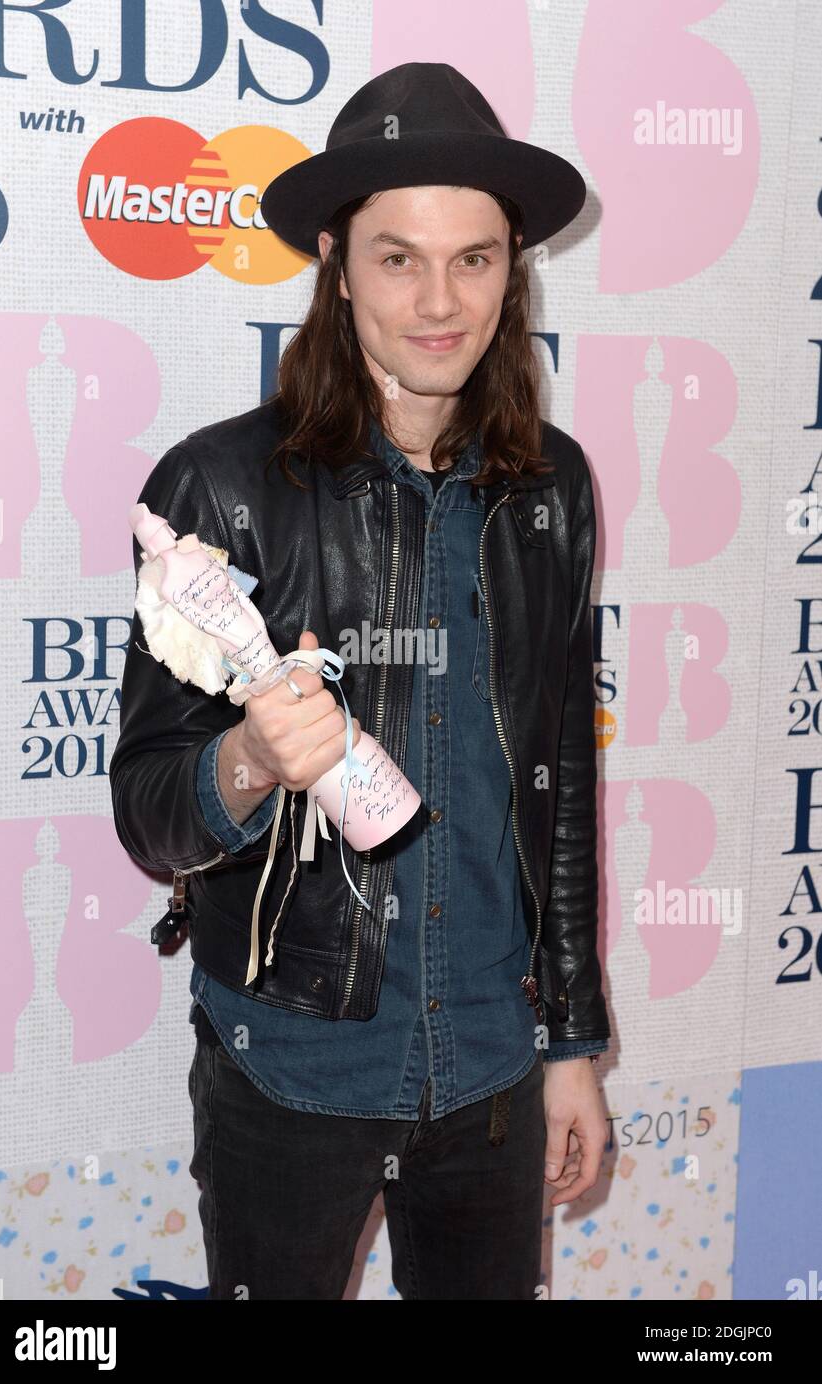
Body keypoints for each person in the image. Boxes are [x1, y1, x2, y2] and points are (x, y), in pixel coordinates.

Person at [110, 61, 611, 1301]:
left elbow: (559, 779)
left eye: (474, 259)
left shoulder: (550, 488)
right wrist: (248, 761)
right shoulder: (218, 489)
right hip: (292, 1062)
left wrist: (571, 1046)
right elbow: (148, 808)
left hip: (493, 1071)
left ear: (512, 267)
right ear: (334, 261)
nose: (440, 301)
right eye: (397, 259)